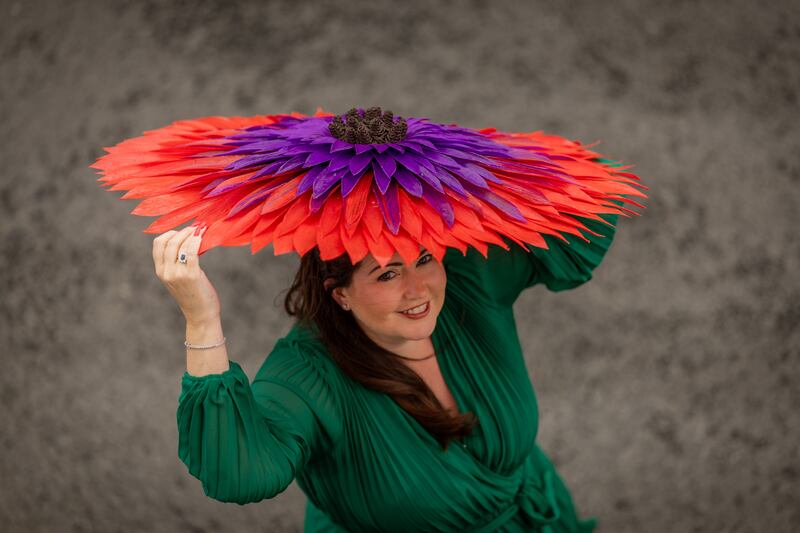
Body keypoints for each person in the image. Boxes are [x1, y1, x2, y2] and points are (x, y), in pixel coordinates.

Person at [154, 205, 618, 532]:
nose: (418, 290)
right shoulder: (306, 374)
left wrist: (481, 166)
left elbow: (589, 214)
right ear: (340, 293)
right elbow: (238, 472)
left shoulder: (468, 280)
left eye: (424, 259)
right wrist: (202, 319)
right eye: (388, 274)